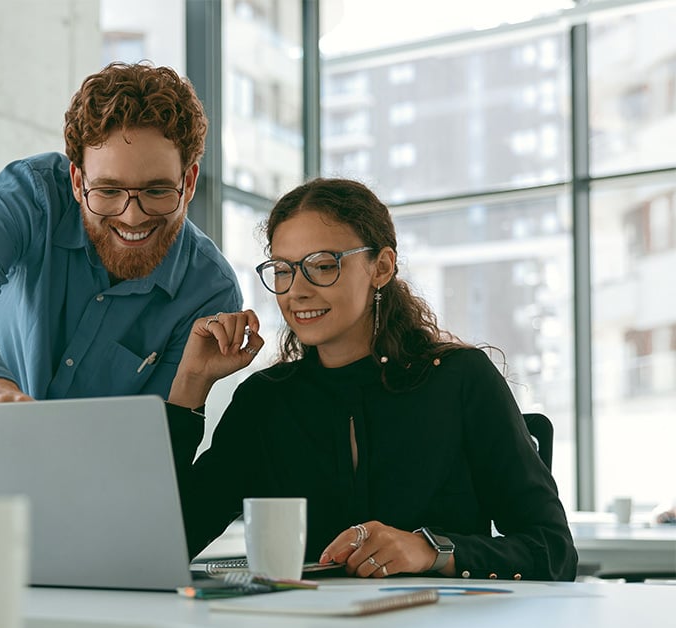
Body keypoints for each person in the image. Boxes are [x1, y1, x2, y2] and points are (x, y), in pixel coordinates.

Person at [165, 178, 578, 581]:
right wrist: (191, 384)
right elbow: (167, 544)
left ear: (381, 267)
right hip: (305, 625)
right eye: (283, 270)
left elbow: (553, 551)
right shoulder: (264, 402)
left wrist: (430, 551)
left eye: (322, 266)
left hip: (437, 625)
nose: (296, 291)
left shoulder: (460, 380)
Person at [0, 62, 242, 491]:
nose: (132, 216)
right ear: (77, 180)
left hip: (99, 500)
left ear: (188, 183)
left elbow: (148, 455)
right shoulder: (32, 195)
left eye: (156, 191)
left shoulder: (210, 292)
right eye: (108, 191)